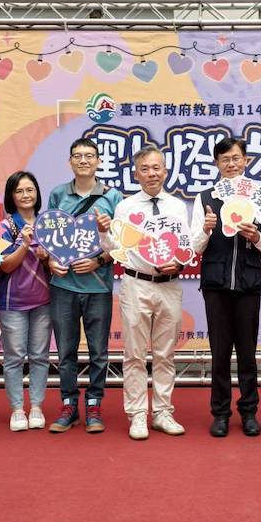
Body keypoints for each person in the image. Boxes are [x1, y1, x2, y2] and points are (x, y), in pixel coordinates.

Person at [98, 147, 187, 440]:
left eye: (156, 168)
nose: (151, 174)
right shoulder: (125, 207)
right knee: (134, 354)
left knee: (165, 353)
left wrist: (180, 262)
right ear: (136, 173)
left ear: (166, 171)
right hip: (136, 283)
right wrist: (104, 232)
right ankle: (137, 414)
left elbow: (184, 245)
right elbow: (114, 248)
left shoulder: (177, 206)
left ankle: (162, 412)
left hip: (169, 285)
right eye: (145, 169)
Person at [191, 137, 261, 437]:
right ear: (216, 163)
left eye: (236, 158)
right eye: (224, 159)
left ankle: (249, 411)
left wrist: (256, 236)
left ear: (246, 161)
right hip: (216, 284)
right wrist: (206, 229)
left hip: (249, 283)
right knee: (220, 353)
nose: (231, 164)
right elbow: (195, 246)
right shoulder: (205, 197)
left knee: (248, 353)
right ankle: (221, 413)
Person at [46, 138, 122, 434]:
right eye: (77, 156)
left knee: (98, 352)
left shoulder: (113, 197)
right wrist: (50, 261)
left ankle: (94, 404)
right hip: (63, 285)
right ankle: (68, 405)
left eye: (89, 156)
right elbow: (47, 237)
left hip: (98, 286)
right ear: (70, 162)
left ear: (99, 161)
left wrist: (98, 261)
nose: (83, 160)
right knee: (65, 351)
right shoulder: (57, 194)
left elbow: (123, 244)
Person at [0, 171, 51, 432]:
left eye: (30, 190)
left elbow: (58, 262)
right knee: (14, 357)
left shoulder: (48, 224)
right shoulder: (2, 228)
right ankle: (17, 409)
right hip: (12, 303)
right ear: (11, 196)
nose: (26, 195)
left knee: (40, 356)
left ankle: (37, 406)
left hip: (44, 301)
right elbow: (3, 266)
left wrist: (47, 257)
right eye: (19, 191)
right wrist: (23, 245)